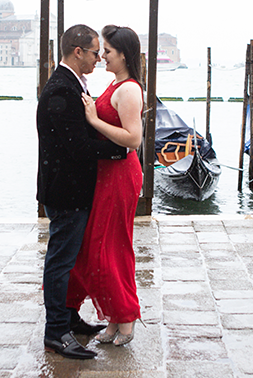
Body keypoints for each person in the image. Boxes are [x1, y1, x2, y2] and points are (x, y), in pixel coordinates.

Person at [37, 24, 128, 360]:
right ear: (78, 51)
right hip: (66, 193)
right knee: (60, 262)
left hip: (70, 190)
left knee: (70, 261)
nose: (98, 58)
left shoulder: (70, 84)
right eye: (94, 53)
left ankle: (70, 319)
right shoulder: (61, 91)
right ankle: (55, 332)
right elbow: (77, 147)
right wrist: (120, 151)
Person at [66, 24, 144, 347]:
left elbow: (134, 139)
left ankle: (126, 317)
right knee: (101, 247)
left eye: (107, 52)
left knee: (114, 246)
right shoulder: (116, 84)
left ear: (123, 55)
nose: (102, 57)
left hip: (121, 173)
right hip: (107, 173)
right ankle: (114, 318)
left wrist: (94, 120)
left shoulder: (128, 90)